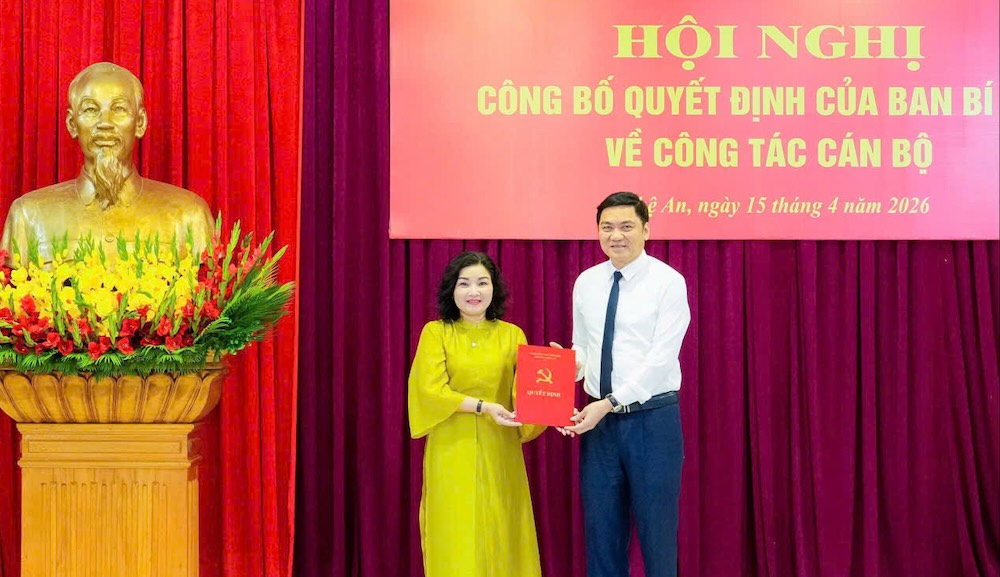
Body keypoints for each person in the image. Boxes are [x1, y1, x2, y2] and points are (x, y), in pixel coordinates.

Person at [552, 192, 691, 577]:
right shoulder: (587, 282)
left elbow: (660, 359)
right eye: (608, 227)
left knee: (657, 536)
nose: (617, 235)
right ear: (598, 232)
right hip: (600, 426)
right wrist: (566, 367)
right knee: (601, 535)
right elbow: (583, 346)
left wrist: (609, 402)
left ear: (646, 229)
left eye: (627, 226)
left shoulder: (668, 282)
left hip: (652, 421)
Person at [408, 251, 544, 577]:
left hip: (500, 448)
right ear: (451, 290)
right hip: (451, 447)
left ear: (494, 288)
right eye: (464, 283)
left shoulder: (512, 335)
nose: (474, 292)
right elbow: (430, 391)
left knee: (502, 526)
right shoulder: (436, 333)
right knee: (454, 530)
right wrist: (483, 407)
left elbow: (529, 395)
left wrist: (555, 405)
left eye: (482, 283)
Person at [1, 62, 213, 263]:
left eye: (119, 109)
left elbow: (212, 297)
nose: (105, 123)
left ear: (140, 123)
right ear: (72, 124)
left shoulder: (189, 215)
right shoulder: (28, 215)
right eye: (91, 110)